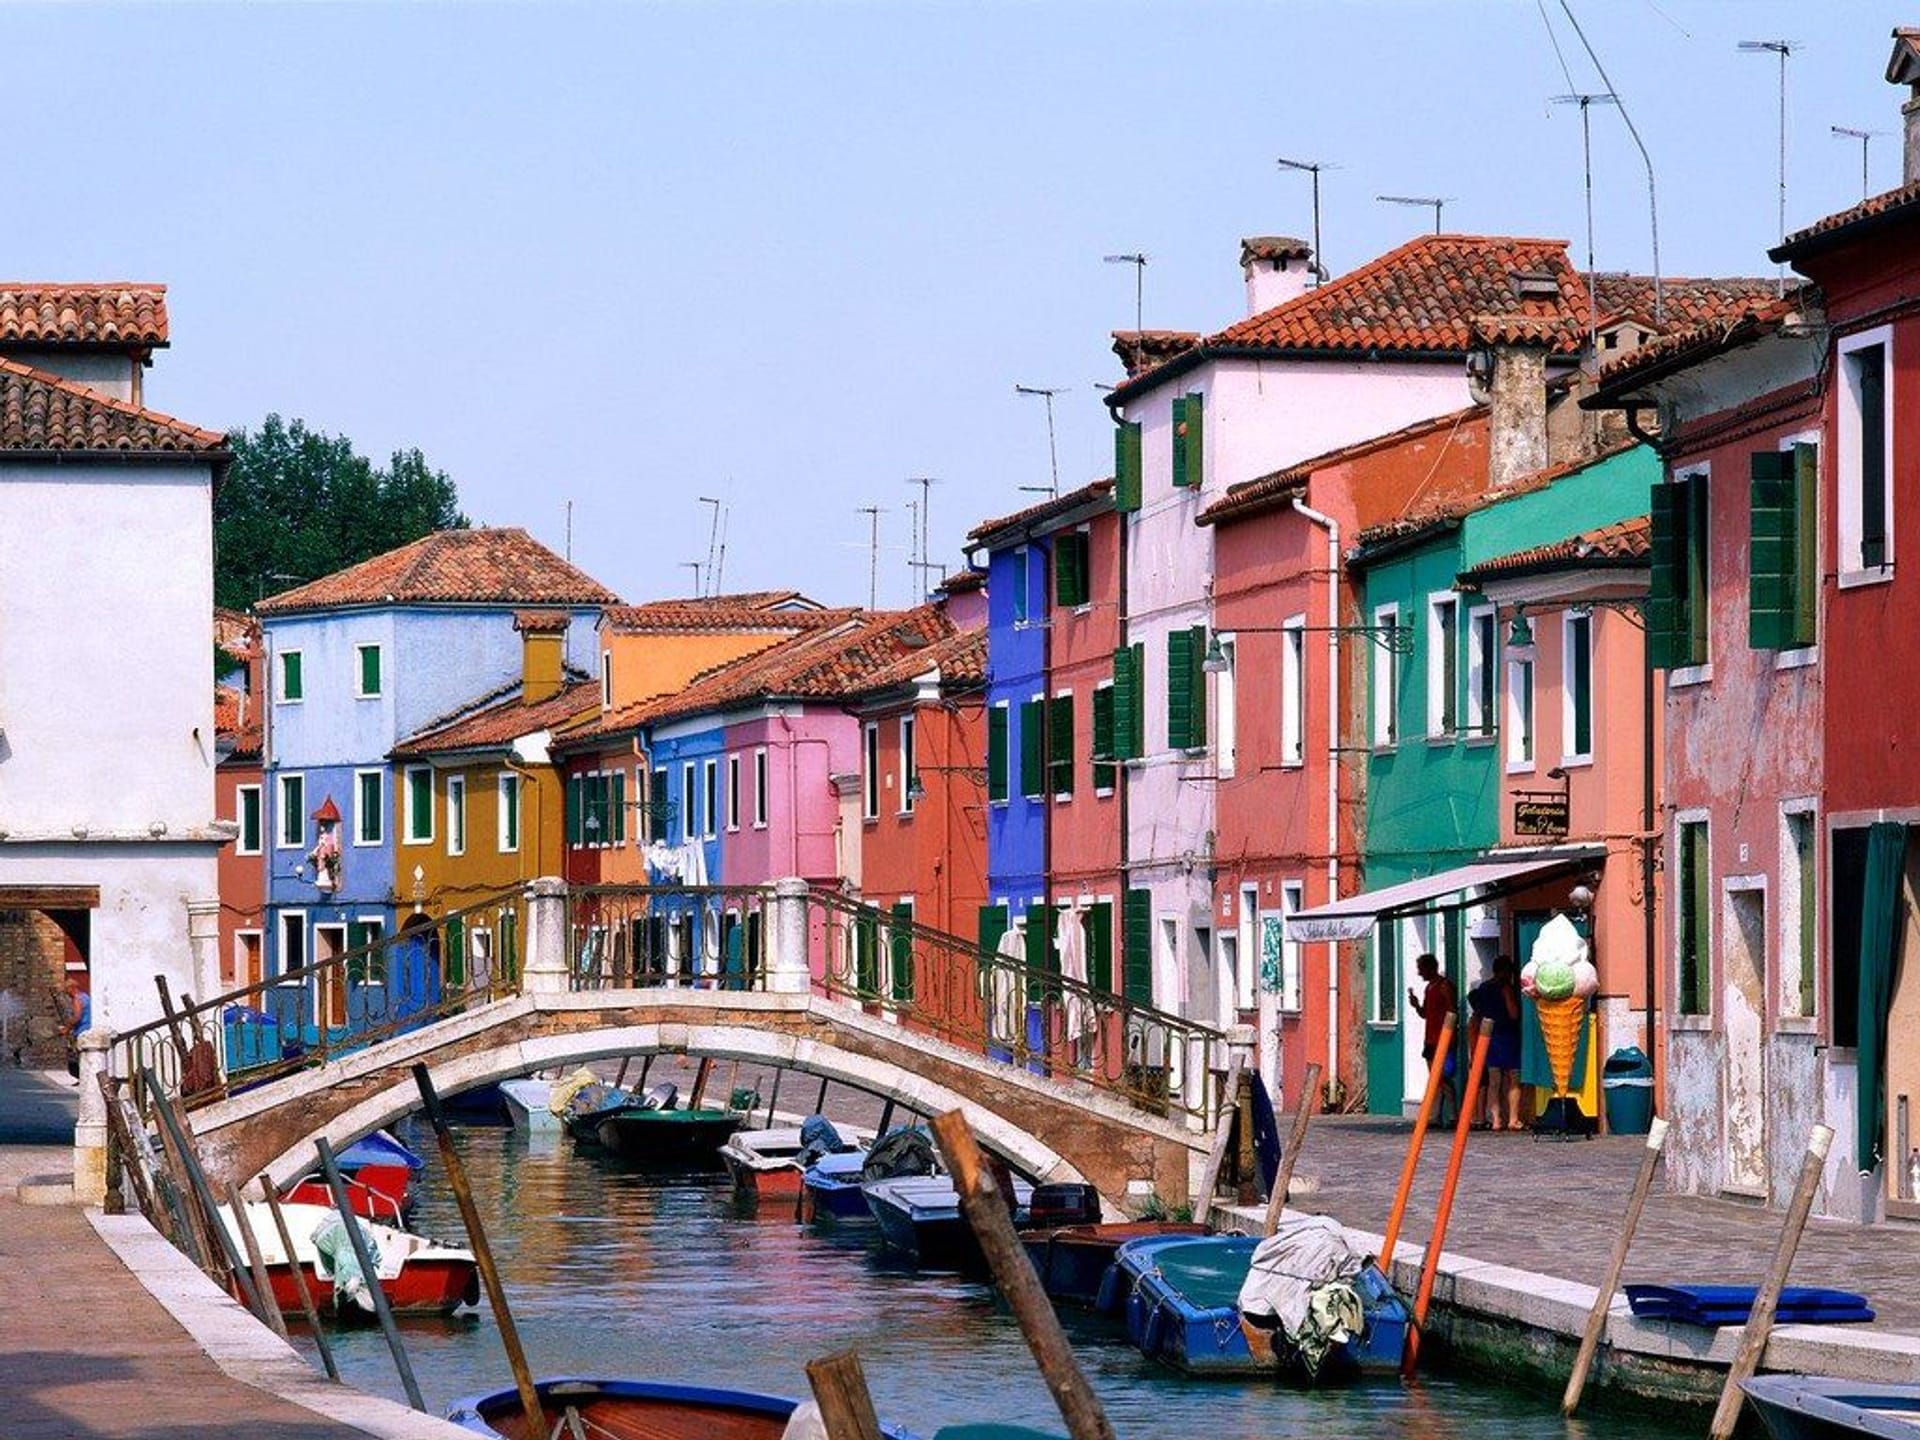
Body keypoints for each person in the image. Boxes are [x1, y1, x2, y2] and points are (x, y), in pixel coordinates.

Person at [1468, 955, 1524, 1131]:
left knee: (1494, 1081)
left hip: (1488, 1037)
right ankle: (1513, 1119)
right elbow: (1513, 1013)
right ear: (1507, 971)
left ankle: (1496, 1120)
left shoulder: (1483, 988)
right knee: (1513, 1079)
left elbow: (1478, 1014)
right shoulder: (1506, 988)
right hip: (1507, 1036)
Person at [1408, 953, 1458, 1123]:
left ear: (1430, 968)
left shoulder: (1444, 986)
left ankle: (1451, 1114)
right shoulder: (1429, 988)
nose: (1419, 973)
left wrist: (1450, 1034)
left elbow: (1453, 1011)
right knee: (1435, 1078)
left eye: (1421, 969)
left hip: (1443, 1039)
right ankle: (1437, 1115)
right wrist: (1416, 1006)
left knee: (1443, 1077)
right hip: (1429, 1039)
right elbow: (1425, 1014)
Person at [61, 976, 90, 1078]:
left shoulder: (77, 999)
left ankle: (82, 1078)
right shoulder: (86, 997)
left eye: (66, 991)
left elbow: (77, 1017)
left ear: (71, 988)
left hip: (82, 1031)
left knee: (77, 1058)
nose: (67, 995)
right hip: (88, 1029)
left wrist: (67, 1028)